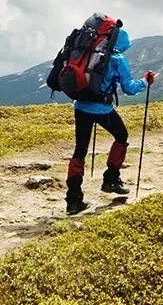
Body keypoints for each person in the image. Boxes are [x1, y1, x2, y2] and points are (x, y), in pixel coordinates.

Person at [66, 28, 155, 215]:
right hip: (102, 109)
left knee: (80, 150)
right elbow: (129, 88)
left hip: (81, 107)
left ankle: (73, 201)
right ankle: (111, 180)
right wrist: (145, 81)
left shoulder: (89, 53)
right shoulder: (117, 59)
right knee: (121, 136)